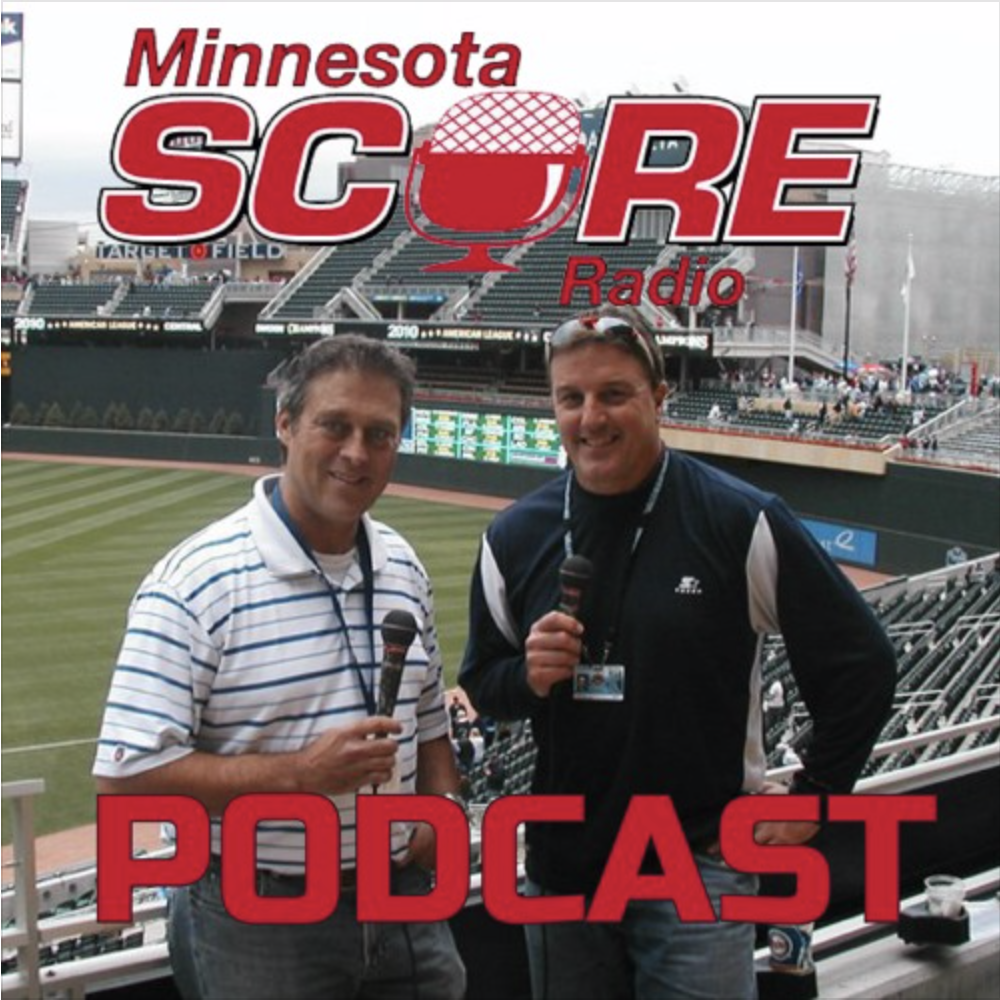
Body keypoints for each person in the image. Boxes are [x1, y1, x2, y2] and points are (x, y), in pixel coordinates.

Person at [459, 306, 896, 1000]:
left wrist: (816, 796)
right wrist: (530, 677)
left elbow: (862, 665)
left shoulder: (738, 517)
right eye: (571, 398)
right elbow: (484, 682)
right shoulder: (514, 536)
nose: (590, 417)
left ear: (659, 398)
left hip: (698, 867)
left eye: (614, 394)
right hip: (567, 868)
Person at [93, 335, 466, 1000]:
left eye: (380, 433)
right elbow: (125, 782)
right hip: (259, 914)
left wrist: (443, 805)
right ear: (286, 424)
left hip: (402, 897)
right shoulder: (196, 582)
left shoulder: (403, 564)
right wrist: (299, 774)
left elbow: (431, 718)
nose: (357, 452)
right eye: (335, 425)